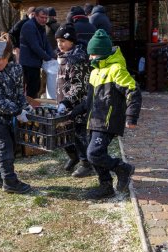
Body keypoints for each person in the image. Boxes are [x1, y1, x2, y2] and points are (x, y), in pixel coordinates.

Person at [71, 29, 142, 199]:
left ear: (102, 53)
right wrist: (75, 111)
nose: (90, 58)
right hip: (94, 120)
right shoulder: (95, 72)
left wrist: (131, 116)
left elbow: (133, 91)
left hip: (108, 120)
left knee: (93, 153)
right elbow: (90, 100)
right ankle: (105, 185)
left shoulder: (117, 70)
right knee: (94, 154)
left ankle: (122, 168)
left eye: (93, 54)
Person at [0, 34, 33, 194]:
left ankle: (0, 178)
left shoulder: (16, 69)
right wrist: (17, 111)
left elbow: (19, 93)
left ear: (8, 56)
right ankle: (10, 181)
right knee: (4, 147)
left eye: (0, 59)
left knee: (11, 146)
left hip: (7, 117)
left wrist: (25, 108)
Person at [55, 23, 94, 177]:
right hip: (64, 103)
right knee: (63, 131)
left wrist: (66, 102)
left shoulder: (76, 59)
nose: (60, 44)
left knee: (78, 133)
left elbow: (79, 86)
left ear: (72, 41)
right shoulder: (63, 57)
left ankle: (86, 163)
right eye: (58, 41)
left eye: (63, 41)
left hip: (77, 105)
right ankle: (74, 156)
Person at [19, 6, 55, 99]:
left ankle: (32, 105)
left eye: (46, 18)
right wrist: (48, 58)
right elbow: (34, 46)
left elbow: (46, 43)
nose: (44, 20)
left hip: (35, 62)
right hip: (28, 62)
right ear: (35, 16)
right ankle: (29, 107)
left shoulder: (41, 26)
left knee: (36, 86)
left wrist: (52, 56)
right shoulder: (29, 26)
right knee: (32, 87)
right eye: (41, 17)